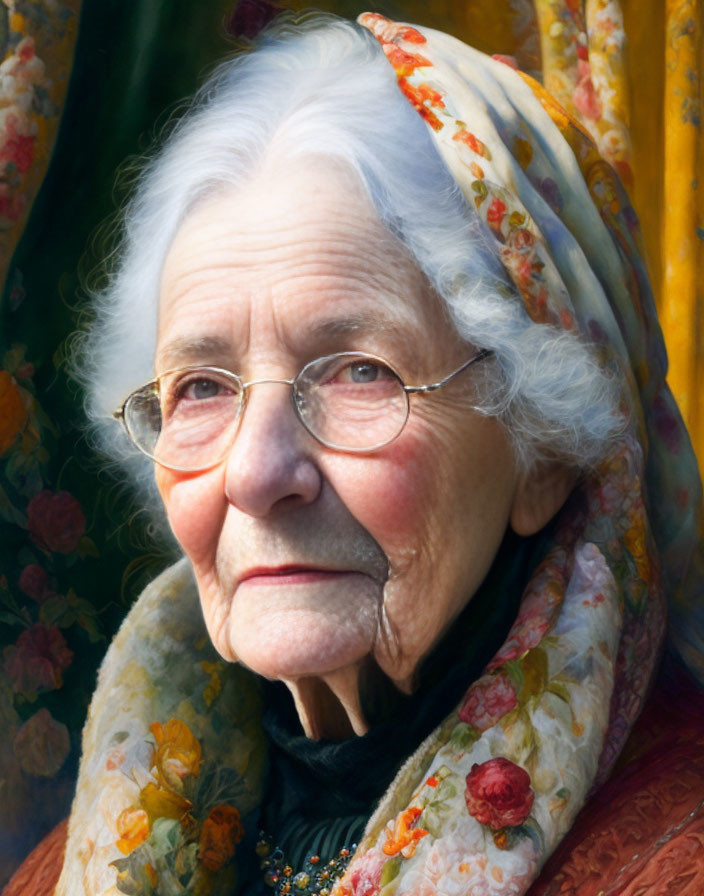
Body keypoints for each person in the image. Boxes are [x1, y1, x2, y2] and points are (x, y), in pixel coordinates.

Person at [48, 11, 704, 896]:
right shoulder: (88, 845)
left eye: (359, 371)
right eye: (200, 387)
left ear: (542, 452)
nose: (252, 473)